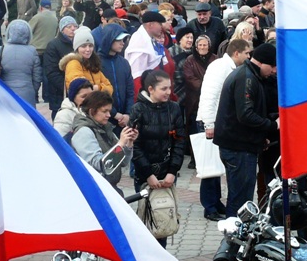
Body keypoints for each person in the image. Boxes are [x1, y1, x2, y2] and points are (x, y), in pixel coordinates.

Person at [214, 41, 277, 217]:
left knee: (240, 197)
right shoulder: (246, 78)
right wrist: (272, 125)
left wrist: (260, 136)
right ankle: (234, 241)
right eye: (272, 66)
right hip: (238, 148)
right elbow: (246, 115)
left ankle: (237, 239)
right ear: (261, 62)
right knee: (240, 200)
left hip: (242, 145)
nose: (274, 71)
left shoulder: (250, 75)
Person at [196, 38, 251, 220]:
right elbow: (209, 96)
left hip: (218, 123)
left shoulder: (231, 68)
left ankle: (216, 201)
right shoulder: (220, 67)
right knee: (209, 167)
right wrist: (209, 124)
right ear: (237, 53)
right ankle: (209, 206)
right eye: (247, 53)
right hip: (209, 122)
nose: (248, 57)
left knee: (216, 166)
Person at [129, 69, 185, 247]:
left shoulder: (174, 108)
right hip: (146, 176)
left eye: (170, 88)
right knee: (147, 217)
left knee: (164, 217)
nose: (169, 92)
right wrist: (148, 174)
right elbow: (135, 146)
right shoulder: (138, 109)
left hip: (167, 172)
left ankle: (162, 255)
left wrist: (172, 172)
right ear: (151, 89)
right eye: (164, 89)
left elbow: (180, 142)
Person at [70, 90, 136, 190]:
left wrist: (129, 143)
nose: (109, 115)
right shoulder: (83, 132)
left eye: (109, 111)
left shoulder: (106, 128)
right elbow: (100, 165)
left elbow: (123, 162)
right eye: (104, 111)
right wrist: (121, 143)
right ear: (92, 111)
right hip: (95, 191)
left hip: (110, 188)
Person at [0, 19, 43, 104]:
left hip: (5, 92)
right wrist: (33, 90)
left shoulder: (0, 50)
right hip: (27, 92)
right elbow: (37, 76)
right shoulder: (32, 51)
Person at [61, 26, 112, 95]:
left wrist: (97, 88)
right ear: (77, 48)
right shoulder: (73, 64)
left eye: (90, 46)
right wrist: (99, 88)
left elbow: (110, 89)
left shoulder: (93, 63)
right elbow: (80, 89)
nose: (88, 49)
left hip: (97, 104)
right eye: (83, 46)